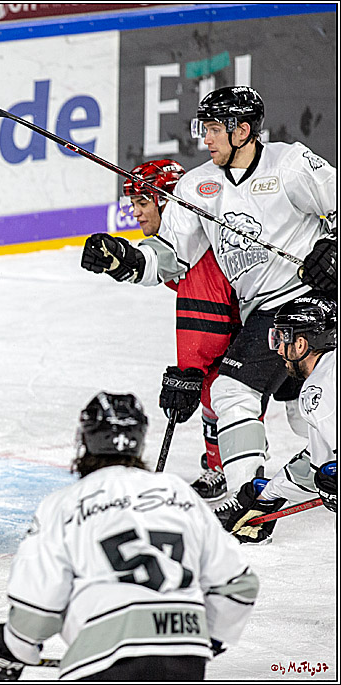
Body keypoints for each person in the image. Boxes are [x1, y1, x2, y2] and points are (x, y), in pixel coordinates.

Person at [81, 85, 337, 497]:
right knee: (303, 410)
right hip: (264, 311)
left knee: (235, 390)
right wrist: (125, 261)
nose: (205, 138)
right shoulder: (197, 186)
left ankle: (245, 496)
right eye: (205, 127)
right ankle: (313, 472)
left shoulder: (289, 162)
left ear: (243, 131)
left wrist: (335, 247)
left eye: (215, 128)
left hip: (310, 297)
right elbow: (170, 255)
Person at [0, 392, 258, 681]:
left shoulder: (64, 505)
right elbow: (239, 585)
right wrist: (203, 639)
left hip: (101, 664)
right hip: (184, 661)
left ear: (85, 440)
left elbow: (39, 609)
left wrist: (7, 647)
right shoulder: (178, 492)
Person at [121, 159, 239, 500]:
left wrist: (190, 370)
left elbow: (207, 319)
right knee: (218, 389)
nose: (137, 213)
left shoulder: (198, 246)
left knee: (226, 390)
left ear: (168, 201)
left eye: (143, 203)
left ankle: (227, 467)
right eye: (134, 204)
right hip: (246, 319)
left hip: (275, 318)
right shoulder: (183, 243)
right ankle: (223, 463)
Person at [217, 295, 337, 543]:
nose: (279, 349)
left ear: (301, 344)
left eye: (282, 338)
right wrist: (268, 496)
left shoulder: (319, 388)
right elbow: (318, 463)